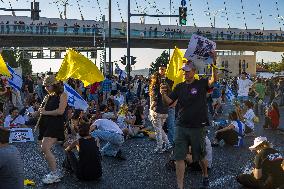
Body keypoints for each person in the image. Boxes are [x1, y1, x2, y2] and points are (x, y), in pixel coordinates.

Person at [160, 52, 217, 189]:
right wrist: (163, 94)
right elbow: (169, 102)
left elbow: (213, 80)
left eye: (187, 71)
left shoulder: (201, 83)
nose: (184, 73)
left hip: (198, 126)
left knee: (200, 156)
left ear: (194, 71)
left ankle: (205, 174)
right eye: (183, 71)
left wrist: (214, 63)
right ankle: (180, 186)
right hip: (181, 125)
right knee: (179, 157)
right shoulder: (179, 87)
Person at [37, 75, 68, 184]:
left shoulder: (63, 95)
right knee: (44, 149)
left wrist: (45, 112)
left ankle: (55, 173)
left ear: (54, 85)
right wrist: (35, 113)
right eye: (44, 86)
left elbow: (60, 111)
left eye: (48, 86)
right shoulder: (47, 96)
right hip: (45, 125)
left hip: (55, 125)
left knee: (45, 148)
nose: (46, 88)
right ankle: (55, 170)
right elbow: (42, 111)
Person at [149, 64, 172, 153]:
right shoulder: (168, 83)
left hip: (157, 110)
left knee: (158, 131)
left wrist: (150, 110)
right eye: (160, 69)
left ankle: (159, 148)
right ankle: (168, 144)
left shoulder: (156, 85)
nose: (161, 70)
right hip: (165, 111)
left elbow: (154, 100)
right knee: (160, 129)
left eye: (162, 69)